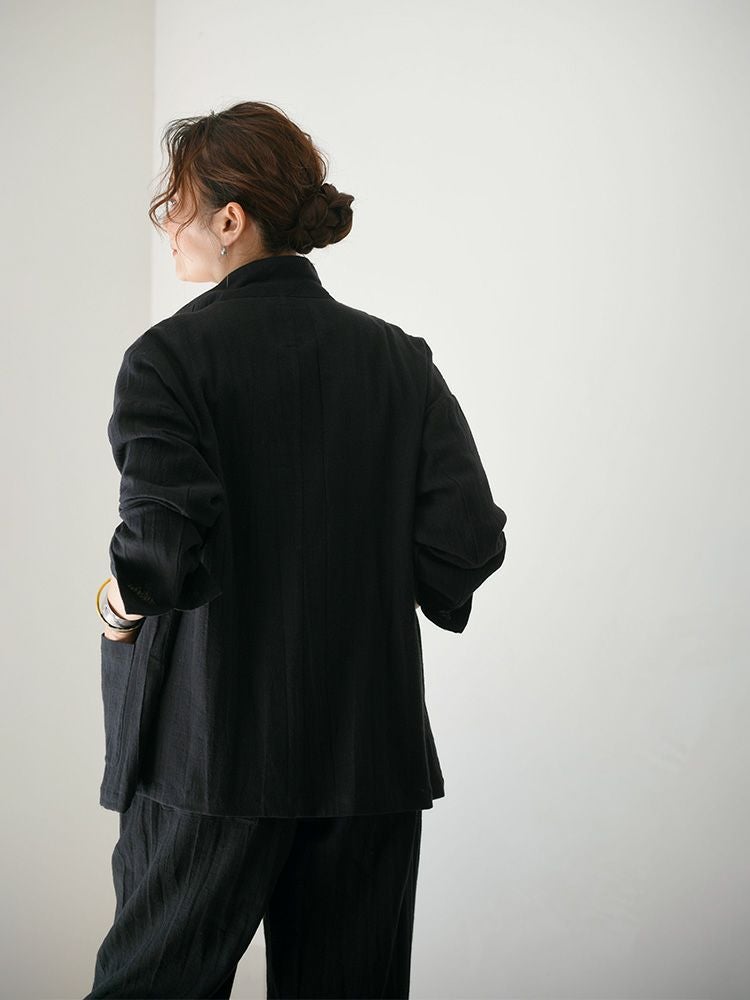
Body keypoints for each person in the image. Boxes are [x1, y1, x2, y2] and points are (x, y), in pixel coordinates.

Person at [84, 100, 507, 999]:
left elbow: (159, 555)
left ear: (230, 220)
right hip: (367, 759)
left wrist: (114, 605)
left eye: (177, 205)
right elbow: (464, 545)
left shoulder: (167, 360)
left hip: (210, 755)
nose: (167, 227)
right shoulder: (399, 361)